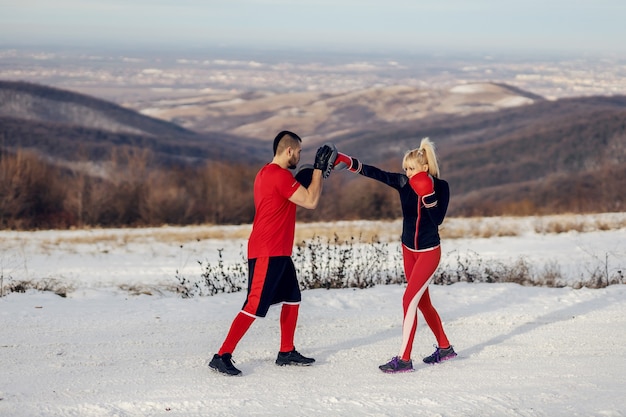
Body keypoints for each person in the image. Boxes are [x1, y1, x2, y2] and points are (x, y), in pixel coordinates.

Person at [209, 131, 336, 376]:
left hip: (279, 251)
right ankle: (221, 355)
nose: (299, 156)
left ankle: (286, 351)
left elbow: (291, 198)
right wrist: (318, 171)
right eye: (298, 152)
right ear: (289, 151)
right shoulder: (278, 175)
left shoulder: (267, 172)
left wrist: (310, 177)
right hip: (267, 251)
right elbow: (310, 201)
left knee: (292, 298)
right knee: (253, 305)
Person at [333, 137, 457, 373]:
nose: (407, 173)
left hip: (429, 252)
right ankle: (445, 348)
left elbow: (438, 218)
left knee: (408, 300)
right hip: (408, 249)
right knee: (422, 302)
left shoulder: (442, 187)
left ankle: (404, 359)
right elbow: (377, 173)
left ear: (424, 167)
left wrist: (428, 195)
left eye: (411, 169)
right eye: (405, 169)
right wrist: (347, 161)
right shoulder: (403, 183)